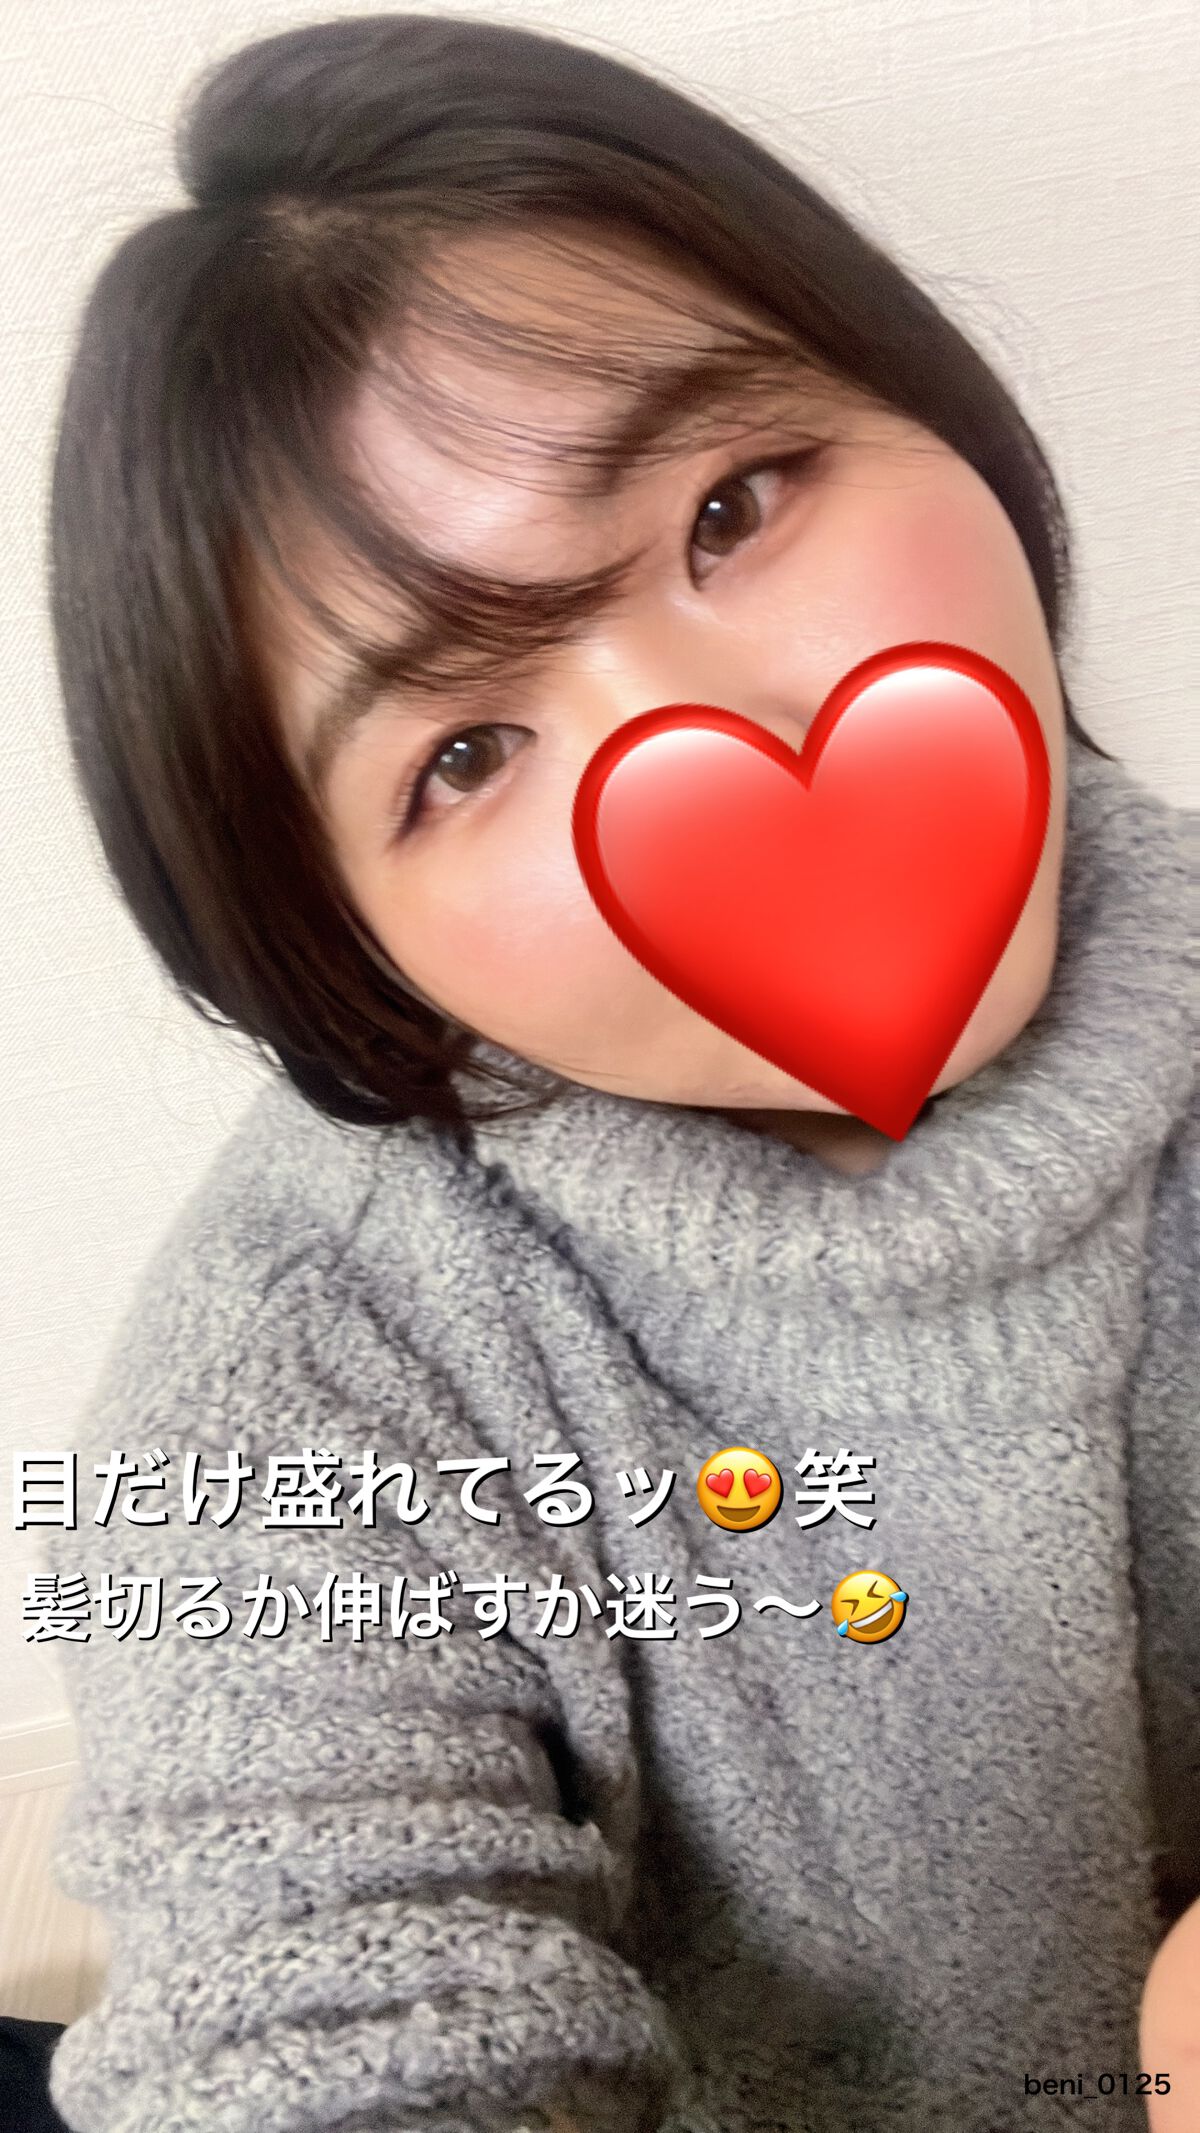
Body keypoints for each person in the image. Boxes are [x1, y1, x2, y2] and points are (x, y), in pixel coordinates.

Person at [38, 15, 1197, 2131]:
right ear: (345, 945)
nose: (714, 748)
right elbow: (311, 2027)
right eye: (466, 750)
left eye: (731, 507)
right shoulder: (309, 1388)